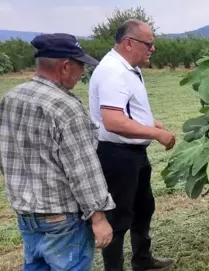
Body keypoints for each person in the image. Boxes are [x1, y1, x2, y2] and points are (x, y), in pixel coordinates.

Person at [0, 33, 115, 270]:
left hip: (26, 215)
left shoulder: (11, 98)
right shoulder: (65, 107)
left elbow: (4, 158)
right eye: (81, 66)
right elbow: (83, 170)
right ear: (65, 66)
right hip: (62, 218)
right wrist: (99, 218)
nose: (82, 73)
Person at [88, 19, 176, 271]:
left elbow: (127, 111)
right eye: (148, 44)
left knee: (143, 207)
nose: (152, 49)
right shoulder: (113, 72)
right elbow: (114, 121)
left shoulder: (127, 68)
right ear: (129, 43)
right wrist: (155, 134)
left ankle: (142, 259)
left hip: (133, 153)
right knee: (119, 217)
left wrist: (152, 123)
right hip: (117, 156)